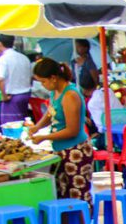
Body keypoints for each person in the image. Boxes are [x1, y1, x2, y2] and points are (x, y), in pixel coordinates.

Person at [29, 58, 93, 204]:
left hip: (76, 151)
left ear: (53, 78)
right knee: (62, 195)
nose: (43, 86)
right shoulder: (55, 92)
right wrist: (37, 127)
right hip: (61, 150)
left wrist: (44, 137)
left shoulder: (70, 95)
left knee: (77, 196)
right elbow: (51, 112)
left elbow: (72, 130)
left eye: (43, 81)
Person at [0, 34, 32, 123]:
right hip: (25, 95)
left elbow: (0, 79)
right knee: (23, 123)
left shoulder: (3, 59)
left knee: (10, 126)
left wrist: (4, 96)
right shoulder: (24, 58)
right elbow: (30, 77)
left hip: (12, 97)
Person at [80, 71, 122, 141]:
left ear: (84, 89)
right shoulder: (108, 91)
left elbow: (101, 127)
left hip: (110, 137)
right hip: (123, 130)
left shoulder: (92, 103)